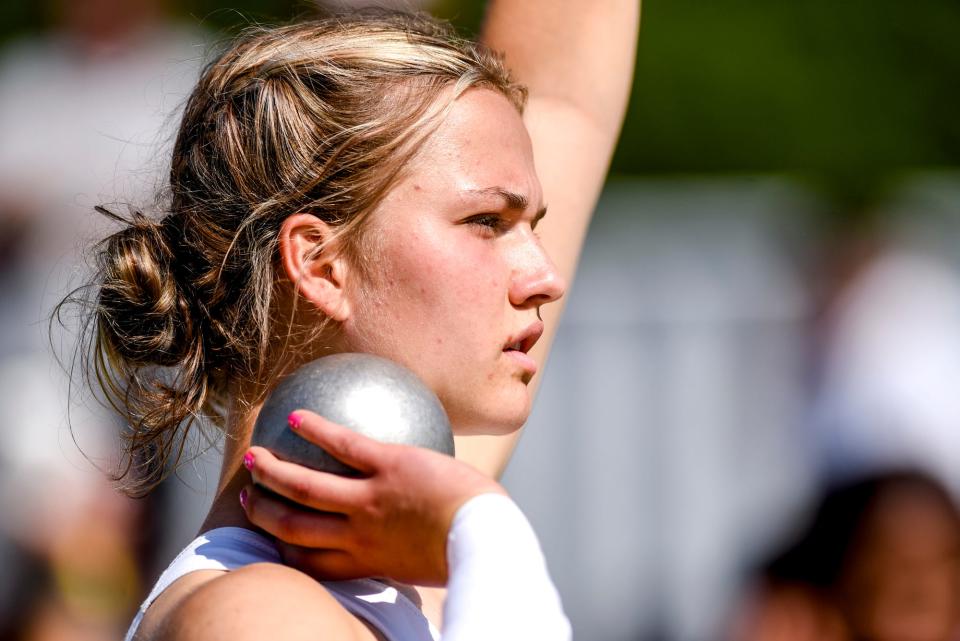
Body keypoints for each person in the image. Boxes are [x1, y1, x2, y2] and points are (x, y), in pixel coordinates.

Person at [70, 2, 639, 639]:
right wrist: (485, 529)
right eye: (486, 222)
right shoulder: (255, 618)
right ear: (321, 263)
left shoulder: (387, 554)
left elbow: (564, 99)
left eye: (532, 225)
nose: (546, 277)